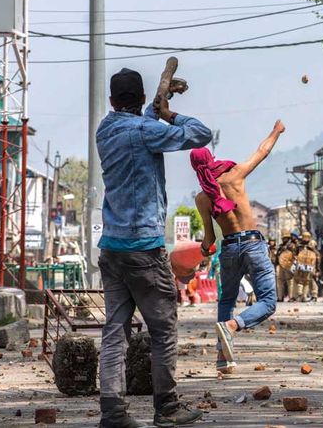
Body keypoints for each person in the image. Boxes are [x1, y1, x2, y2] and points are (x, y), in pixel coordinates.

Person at [96, 68, 211, 428]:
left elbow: (138, 126)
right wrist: (169, 113)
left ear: (113, 101)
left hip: (112, 248)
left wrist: (159, 104)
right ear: (142, 100)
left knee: (115, 331)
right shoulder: (147, 130)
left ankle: (113, 413)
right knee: (162, 330)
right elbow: (200, 134)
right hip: (143, 249)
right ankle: (167, 407)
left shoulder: (106, 129)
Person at [191, 121, 284, 374]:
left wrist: (202, 251)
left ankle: (223, 359)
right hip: (253, 244)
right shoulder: (236, 175)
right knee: (268, 301)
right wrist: (276, 131)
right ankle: (235, 325)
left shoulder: (202, 198)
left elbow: (209, 240)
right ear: (212, 158)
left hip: (229, 248)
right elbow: (262, 152)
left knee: (226, 300)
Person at [292, 231, 319, 302]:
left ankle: (305, 296)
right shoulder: (299, 245)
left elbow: (316, 256)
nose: (306, 238)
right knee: (298, 280)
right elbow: (295, 254)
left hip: (309, 266)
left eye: (307, 237)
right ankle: (297, 295)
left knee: (307, 281)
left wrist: (317, 268)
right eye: (304, 237)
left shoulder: (311, 245)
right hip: (300, 266)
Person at [275, 231, 296, 302]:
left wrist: (292, 264)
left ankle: (291, 297)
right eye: (284, 238)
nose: (284, 239)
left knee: (290, 281)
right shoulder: (280, 246)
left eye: (286, 238)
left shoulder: (291, 246)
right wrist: (276, 264)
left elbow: (293, 256)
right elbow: (278, 256)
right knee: (279, 281)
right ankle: (280, 297)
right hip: (280, 265)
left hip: (288, 265)